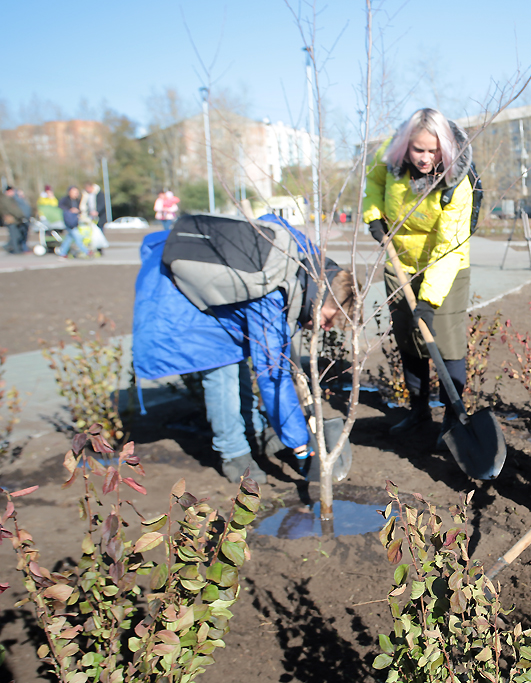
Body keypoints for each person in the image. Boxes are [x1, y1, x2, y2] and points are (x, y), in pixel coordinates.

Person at [132, 215, 357, 483]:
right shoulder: (273, 298)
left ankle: (254, 430)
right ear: (318, 298)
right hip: (177, 295)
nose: (325, 328)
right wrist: (300, 446)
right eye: (327, 319)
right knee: (222, 369)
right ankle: (234, 453)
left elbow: (270, 219)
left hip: (220, 296)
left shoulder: (312, 263)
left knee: (237, 355)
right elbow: (272, 377)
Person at [362, 108, 474, 444]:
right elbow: (373, 183)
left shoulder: (457, 184)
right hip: (400, 263)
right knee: (408, 338)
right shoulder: (389, 161)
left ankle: (453, 420)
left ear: (445, 148)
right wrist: (373, 216)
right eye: (418, 150)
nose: (425, 159)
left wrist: (428, 297)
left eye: (433, 151)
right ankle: (418, 412)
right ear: (405, 147)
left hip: (447, 266)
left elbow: (449, 247)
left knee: (448, 343)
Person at [57, 186, 89, 259]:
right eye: (75, 192)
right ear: (70, 192)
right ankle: (87, 252)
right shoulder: (65, 200)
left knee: (69, 238)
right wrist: (70, 210)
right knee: (78, 238)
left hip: (75, 221)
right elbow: (60, 207)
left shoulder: (77, 200)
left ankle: (62, 253)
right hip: (69, 222)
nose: (76, 194)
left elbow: (80, 209)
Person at [3, 187, 31, 254]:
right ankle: (15, 250)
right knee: (14, 236)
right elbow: (13, 210)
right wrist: (20, 216)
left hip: (16, 220)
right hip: (11, 220)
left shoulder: (12, 199)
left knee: (17, 235)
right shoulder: (6, 199)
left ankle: (12, 248)